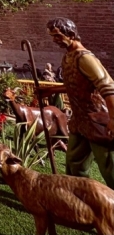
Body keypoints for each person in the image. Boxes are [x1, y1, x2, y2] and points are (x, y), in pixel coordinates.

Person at [43, 17, 114, 188]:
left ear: (71, 34)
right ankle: (80, 199)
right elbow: (74, 85)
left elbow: (109, 88)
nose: (55, 41)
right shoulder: (68, 57)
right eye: (53, 37)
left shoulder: (86, 58)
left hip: (97, 121)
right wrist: (49, 91)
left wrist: (113, 118)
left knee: (109, 169)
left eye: (58, 36)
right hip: (80, 122)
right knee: (74, 165)